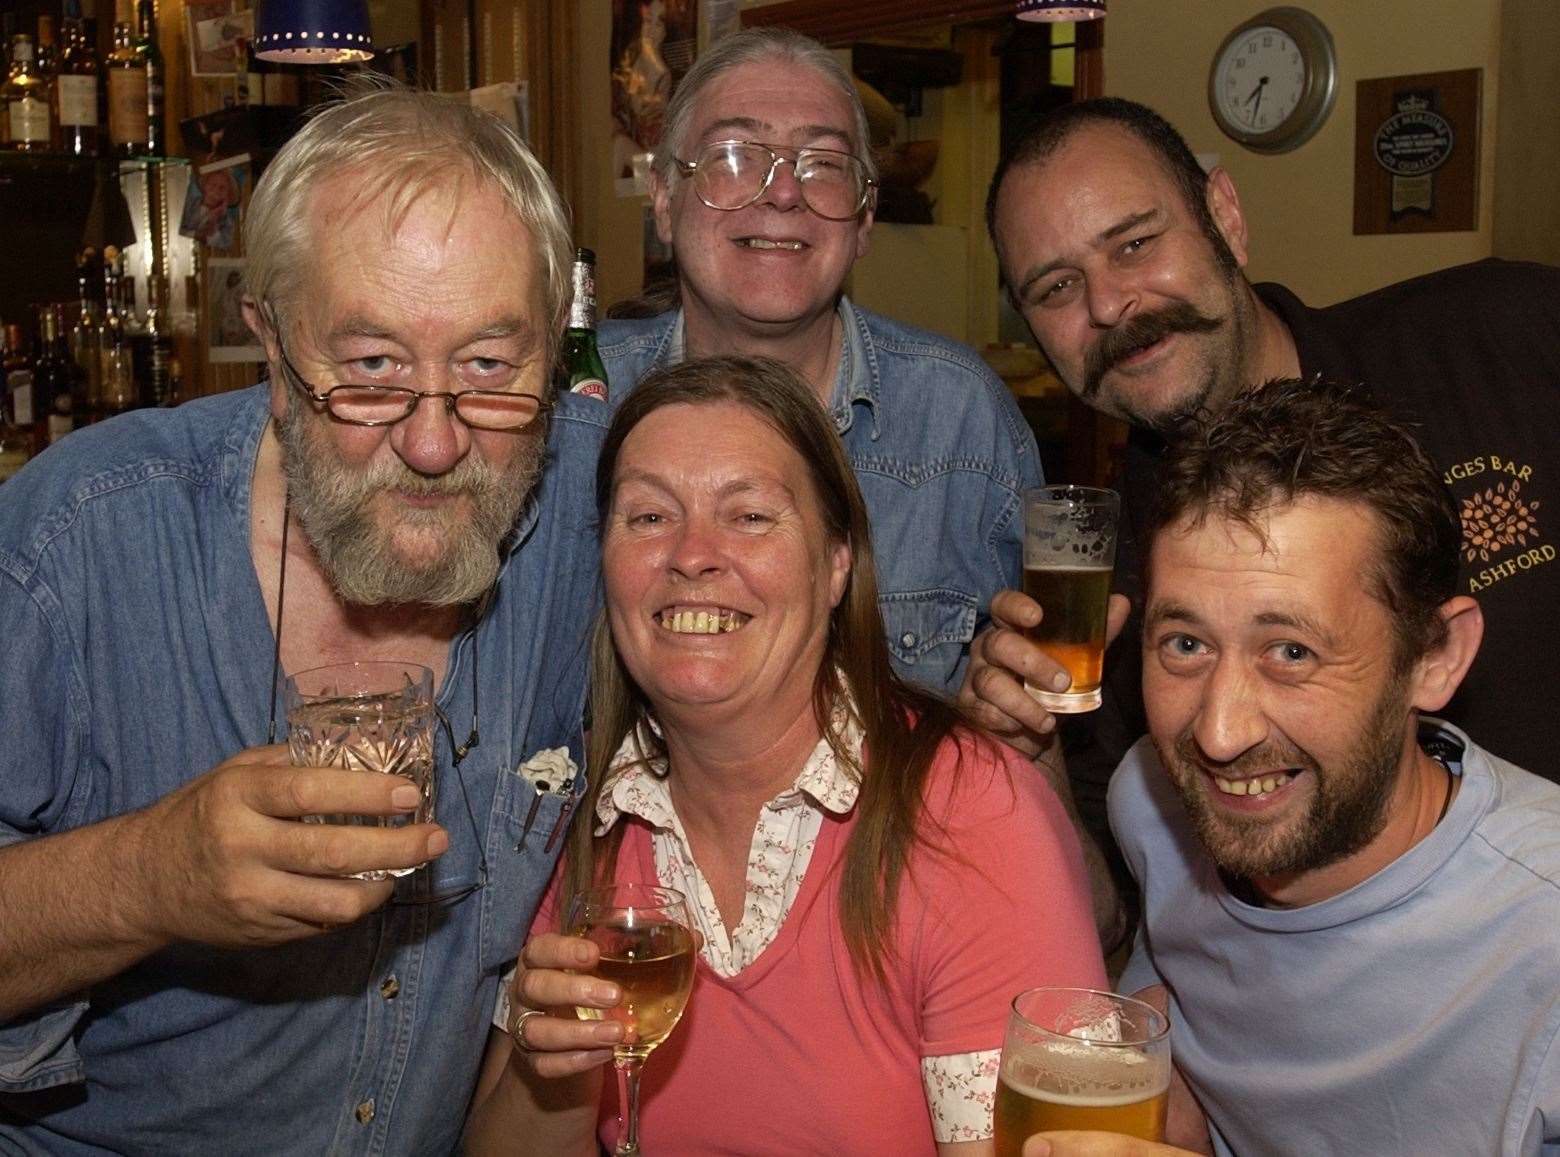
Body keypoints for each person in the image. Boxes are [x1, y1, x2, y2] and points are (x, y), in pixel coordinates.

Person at [0, 82, 607, 1154]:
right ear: (271, 348)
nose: (433, 442)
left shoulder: (588, 527)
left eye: (487, 366)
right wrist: (150, 874)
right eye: (370, 368)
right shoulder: (79, 542)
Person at [464, 356, 1105, 1155]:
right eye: (647, 516)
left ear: (838, 562)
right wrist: (555, 1063)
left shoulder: (977, 818)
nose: (692, 554)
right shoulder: (588, 820)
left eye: (751, 516)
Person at [969, 96, 1560, 910]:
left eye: (1135, 243)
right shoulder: (1106, 586)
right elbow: (1114, 911)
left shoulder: (1500, 336)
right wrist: (1024, 756)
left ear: (1225, 217)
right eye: (1057, 287)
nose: (1109, 305)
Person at [1056, 380, 1560, 1156]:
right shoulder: (1154, 805)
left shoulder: (1541, 940)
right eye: (1185, 644)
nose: (1219, 735)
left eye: (1291, 652)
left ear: (1434, 657)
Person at [599, 27, 1046, 700]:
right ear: (664, 198)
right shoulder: (576, 403)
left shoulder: (959, 416)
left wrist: (1010, 712)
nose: (782, 194)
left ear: (864, 220)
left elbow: (1036, 699)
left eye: (824, 164)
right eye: (735, 155)